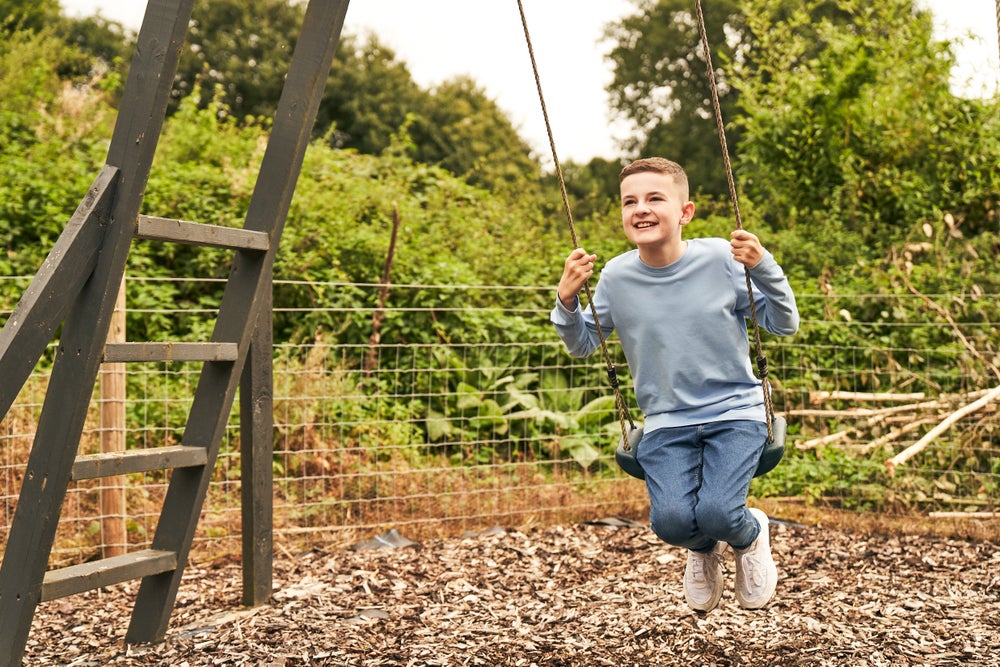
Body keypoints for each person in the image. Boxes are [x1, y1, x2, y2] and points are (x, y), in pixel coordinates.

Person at [550, 157, 799, 612]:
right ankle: (703, 551)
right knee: (669, 523)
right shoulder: (617, 277)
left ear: (685, 212)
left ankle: (749, 535)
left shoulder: (723, 261)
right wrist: (566, 302)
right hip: (666, 420)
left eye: (654, 198)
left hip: (735, 412)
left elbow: (783, 323)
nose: (640, 209)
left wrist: (764, 267)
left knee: (719, 512)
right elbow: (585, 343)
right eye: (630, 201)